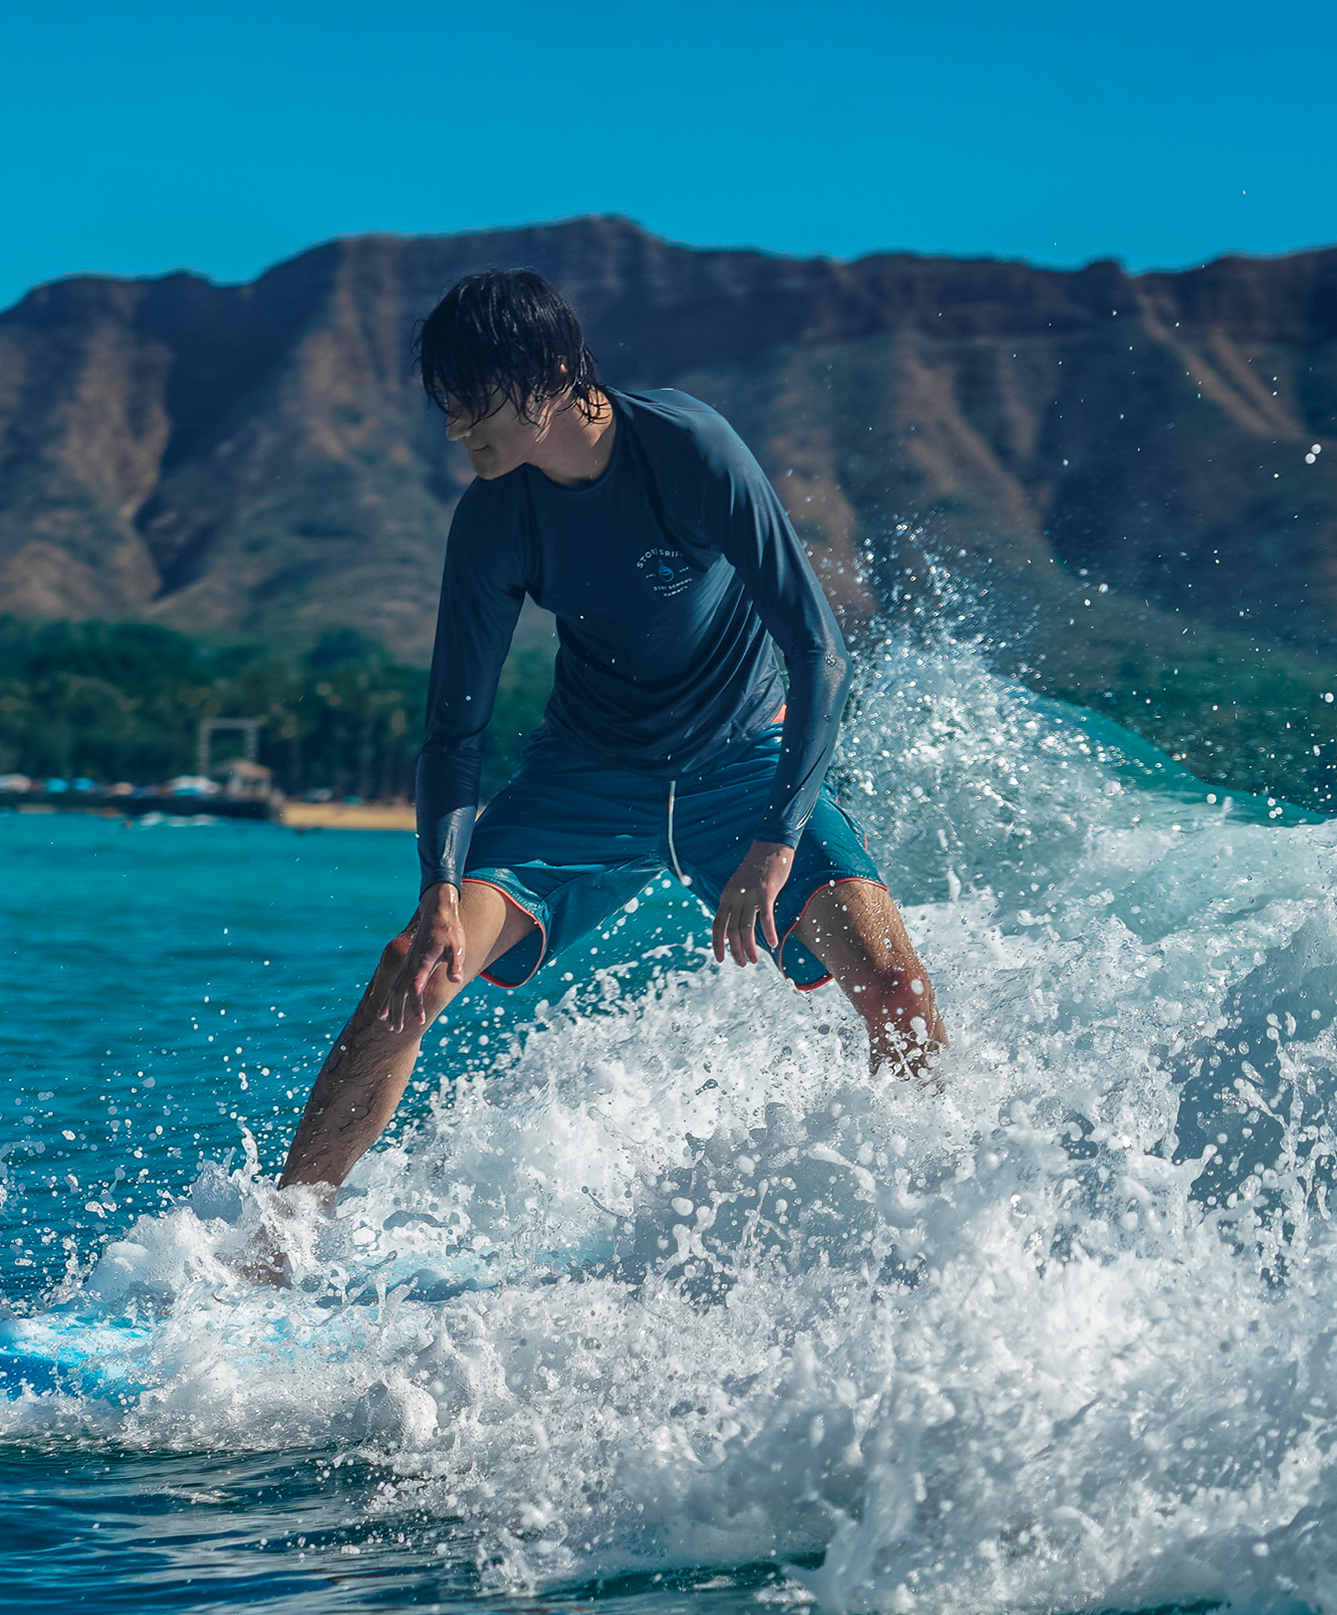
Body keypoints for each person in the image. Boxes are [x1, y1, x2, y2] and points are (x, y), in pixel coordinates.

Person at [269, 269, 948, 1207]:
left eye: (476, 400)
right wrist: (436, 889)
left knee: (900, 996)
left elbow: (820, 651)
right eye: (449, 404)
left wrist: (777, 839)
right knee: (411, 972)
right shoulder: (494, 519)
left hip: (741, 766)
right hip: (582, 780)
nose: (458, 425)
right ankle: (275, 1259)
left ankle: (906, 1225)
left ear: (550, 375)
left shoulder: (690, 450)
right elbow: (452, 735)